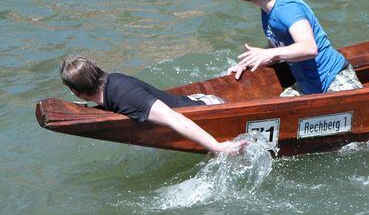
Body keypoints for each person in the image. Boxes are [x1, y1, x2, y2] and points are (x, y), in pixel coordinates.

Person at [229, 0, 360, 96]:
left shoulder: (287, 8)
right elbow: (277, 48)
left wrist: (270, 53)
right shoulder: (267, 8)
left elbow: (309, 48)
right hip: (307, 85)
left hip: (334, 78)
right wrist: (248, 63)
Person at [59, 56, 244, 155]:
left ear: (76, 91)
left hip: (209, 110)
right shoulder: (109, 83)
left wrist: (218, 147)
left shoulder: (126, 97)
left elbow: (175, 118)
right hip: (195, 101)